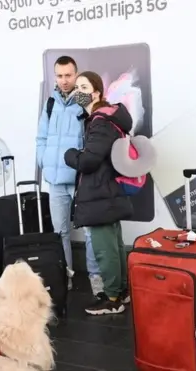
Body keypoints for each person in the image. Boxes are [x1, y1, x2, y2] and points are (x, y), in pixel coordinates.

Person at [64, 71, 134, 316]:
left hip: (99, 194)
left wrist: (70, 154)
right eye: (77, 88)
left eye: (84, 88)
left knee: (106, 249)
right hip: (106, 192)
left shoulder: (100, 122)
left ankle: (112, 298)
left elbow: (89, 161)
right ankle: (120, 292)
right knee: (113, 246)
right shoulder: (104, 119)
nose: (79, 93)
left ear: (96, 93)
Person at [35, 56, 102, 294]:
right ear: (55, 76)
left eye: (68, 75)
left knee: (90, 232)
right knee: (59, 232)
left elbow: (98, 130)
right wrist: (43, 160)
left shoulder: (84, 99)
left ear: (76, 75)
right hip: (55, 181)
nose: (64, 80)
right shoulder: (50, 102)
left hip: (80, 179)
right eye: (60, 75)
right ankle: (66, 277)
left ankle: (97, 280)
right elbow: (41, 137)